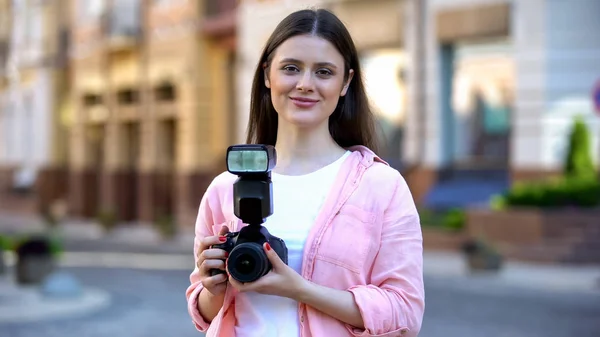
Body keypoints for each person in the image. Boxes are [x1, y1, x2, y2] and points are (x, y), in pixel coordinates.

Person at [185, 8, 424, 337]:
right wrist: (213, 287)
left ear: (346, 82)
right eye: (291, 68)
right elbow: (204, 311)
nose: (305, 84)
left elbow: (405, 313)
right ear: (268, 75)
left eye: (324, 72)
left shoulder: (382, 187)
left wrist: (299, 289)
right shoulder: (225, 187)